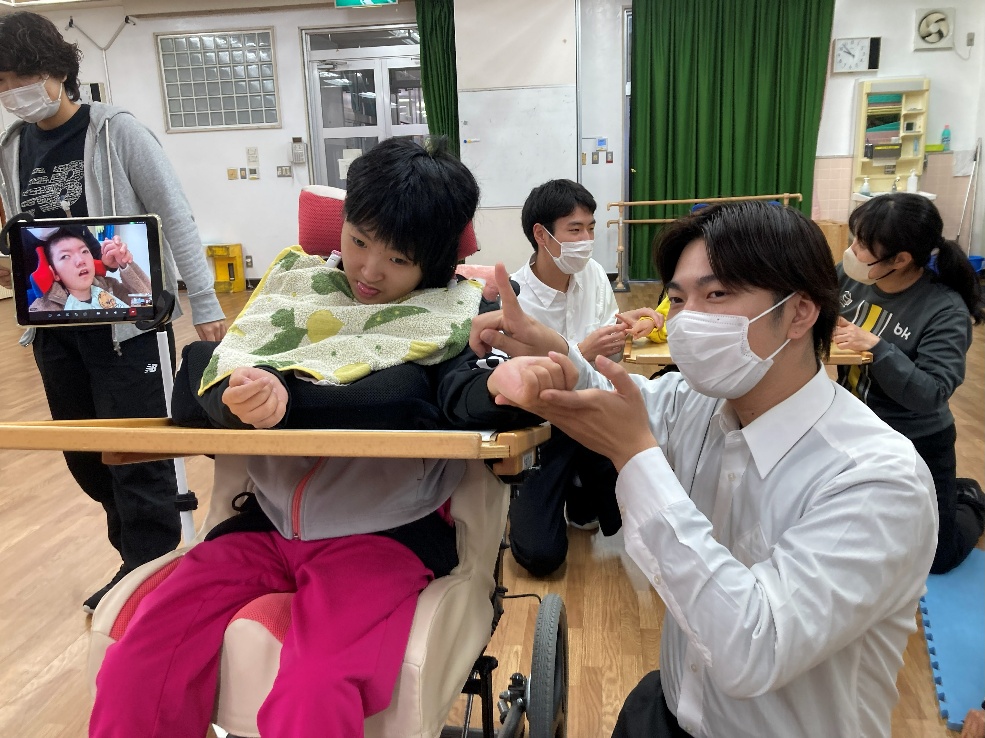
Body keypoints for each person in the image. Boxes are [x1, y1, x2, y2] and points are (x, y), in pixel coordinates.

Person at [89, 137, 540, 738]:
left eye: (398, 259)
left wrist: (501, 387)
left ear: (431, 265)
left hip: (383, 539)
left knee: (316, 688)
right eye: (358, 241)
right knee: (142, 654)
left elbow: (460, 393)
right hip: (264, 526)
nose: (369, 270)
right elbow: (210, 367)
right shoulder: (296, 291)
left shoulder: (445, 317)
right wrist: (238, 396)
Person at [473, 201, 938, 738]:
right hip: (670, 708)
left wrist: (634, 457)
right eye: (677, 299)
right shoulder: (701, 402)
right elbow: (617, 394)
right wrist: (552, 352)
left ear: (799, 312)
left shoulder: (877, 479)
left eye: (715, 295)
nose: (688, 320)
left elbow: (753, 649)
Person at [0, 11, 226, 613]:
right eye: (0, 83)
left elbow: (174, 216)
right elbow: (23, 234)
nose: (11, 92)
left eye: (19, 77)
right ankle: (135, 563)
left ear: (54, 70)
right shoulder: (14, 147)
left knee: (140, 456)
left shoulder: (116, 132)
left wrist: (205, 304)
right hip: (56, 329)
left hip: (128, 329)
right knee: (87, 456)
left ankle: (158, 576)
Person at [834, 192, 985, 574]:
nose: (852, 251)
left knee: (938, 556)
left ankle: (968, 496)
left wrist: (876, 347)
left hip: (917, 439)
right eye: (854, 238)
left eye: (862, 245)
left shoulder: (944, 310)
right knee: (858, 530)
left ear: (900, 260)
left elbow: (931, 392)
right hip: (856, 428)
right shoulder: (852, 277)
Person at [507, 179, 633, 575]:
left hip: (593, 411)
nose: (586, 240)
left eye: (590, 228)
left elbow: (611, 355)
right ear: (541, 235)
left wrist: (622, 333)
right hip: (542, 425)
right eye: (574, 230)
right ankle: (556, 484)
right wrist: (582, 352)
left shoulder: (593, 274)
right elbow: (520, 385)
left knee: (624, 519)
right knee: (539, 556)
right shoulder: (516, 297)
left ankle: (581, 488)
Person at [28, 227, 150, 312]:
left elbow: (147, 303)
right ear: (54, 273)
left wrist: (124, 264)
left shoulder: (111, 288)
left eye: (84, 251)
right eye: (65, 256)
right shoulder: (43, 309)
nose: (80, 260)